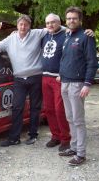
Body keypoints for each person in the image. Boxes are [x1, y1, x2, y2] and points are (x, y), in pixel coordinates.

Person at [0, 15, 47, 146]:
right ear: (17, 25)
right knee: (17, 107)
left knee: (35, 108)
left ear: (29, 26)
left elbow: (53, 27)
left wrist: (78, 31)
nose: (23, 27)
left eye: (26, 24)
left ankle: (33, 135)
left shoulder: (37, 34)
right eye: (21, 24)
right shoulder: (11, 38)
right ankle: (14, 138)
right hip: (19, 79)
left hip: (35, 76)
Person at [58, 6, 98, 166]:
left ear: (80, 20)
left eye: (74, 18)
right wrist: (61, 73)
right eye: (68, 18)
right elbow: (66, 58)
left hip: (78, 84)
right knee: (69, 118)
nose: (71, 21)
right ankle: (74, 147)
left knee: (78, 120)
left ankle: (81, 154)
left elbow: (92, 62)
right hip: (65, 82)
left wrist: (87, 83)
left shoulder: (86, 36)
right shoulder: (67, 35)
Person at [42, 13, 71, 151]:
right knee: (48, 109)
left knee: (60, 109)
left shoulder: (67, 34)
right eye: (47, 23)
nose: (50, 25)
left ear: (60, 22)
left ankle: (66, 138)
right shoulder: (45, 34)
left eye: (53, 22)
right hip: (45, 77)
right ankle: (55, 136)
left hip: (59, 78)